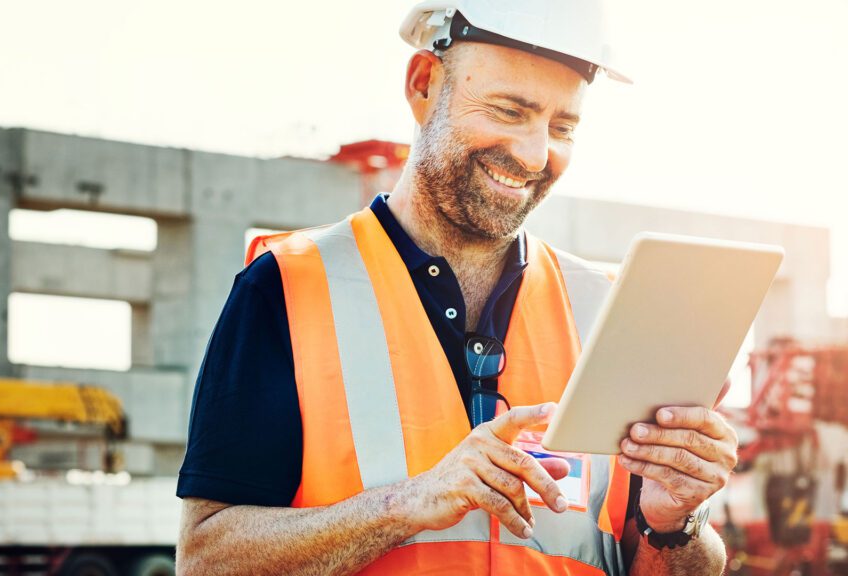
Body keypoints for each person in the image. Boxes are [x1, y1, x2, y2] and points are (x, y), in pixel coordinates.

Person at [175, 1, 738, 574]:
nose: (535, 153)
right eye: (509, 111)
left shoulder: (607, 311)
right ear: (423, 86)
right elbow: (205, 560)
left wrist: (674, 523)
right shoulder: (289, 287)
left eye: (562, 126)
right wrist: (406, 505)